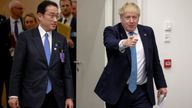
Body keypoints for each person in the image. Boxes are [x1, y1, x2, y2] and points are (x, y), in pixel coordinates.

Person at [94, 2, 167, 108]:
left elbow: (155, 60)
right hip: (119, 91)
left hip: (142, 91)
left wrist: (161, 85)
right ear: (121, 18)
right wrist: (123, 43)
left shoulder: (148, 32)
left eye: (135, 17)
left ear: (138, 18)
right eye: (127, 17)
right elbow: (109, 43)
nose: (131, 21)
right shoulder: (112, 31)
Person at [8, 1, 74, 108]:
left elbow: (67, 71)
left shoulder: (61, 39)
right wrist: (13, 95)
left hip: (56, 96)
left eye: (56, 16)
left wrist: (69, 97)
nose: (55, 20)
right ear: (40, 16)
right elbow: (17, 69)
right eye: (51, 16)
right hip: (32, 95)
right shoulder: (25, 38)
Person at [0, 1, 24, 108]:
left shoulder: (26, 23)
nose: (22, 11)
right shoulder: (3, 25)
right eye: (19, 8)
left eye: (22, 8)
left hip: (23, 63)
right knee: (8, 91)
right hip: (6, 64)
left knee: (20, 93)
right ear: (12, 9)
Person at [59, 0, 77, 106]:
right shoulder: (57, 22)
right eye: (62, 6)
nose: (65, 8)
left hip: (73, 60)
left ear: (71, 6)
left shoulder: (77, 22)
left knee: (72, 86)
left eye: (67, 5)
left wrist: (72, 44)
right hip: (59, 59)